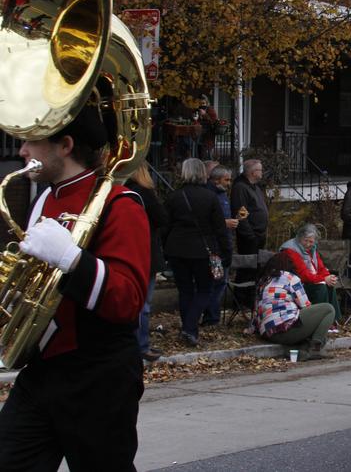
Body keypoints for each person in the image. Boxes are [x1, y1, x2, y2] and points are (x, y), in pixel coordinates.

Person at [0, 106, 149, 469]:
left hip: (100, 375)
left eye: (31, 143)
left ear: (65, 145)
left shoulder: (121, 204)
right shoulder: (43, 200)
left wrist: (71, 258)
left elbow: (127, 301)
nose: (21, 152)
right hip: (42, 369)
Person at [163, 158, 230, 347]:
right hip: (203, 250)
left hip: (177, 250)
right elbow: (220, 229)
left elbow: (165, 226)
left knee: (185, 291)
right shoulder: (210, 198)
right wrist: (226, 252)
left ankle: (189, 329)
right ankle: (189, 328)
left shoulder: (174, 196)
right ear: (203, 173)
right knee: (204, 290)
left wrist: (164, 250)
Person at [253, 253, 336, 361]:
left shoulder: (263, 282)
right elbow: (305, 305)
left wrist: (252, 329)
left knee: (307, 332)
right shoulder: (290, 278)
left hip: (269, 333)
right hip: (287, 328)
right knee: (328, 309)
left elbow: (256, 310)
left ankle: (297, 351)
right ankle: (316, 348)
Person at [128, 162, 168, 363]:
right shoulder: (144, 193)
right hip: (146, 252)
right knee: (144, 303)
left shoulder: (121, 191)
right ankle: (141, 345)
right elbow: (161, 218)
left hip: (126, 251)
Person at [279, 223, 342, 325]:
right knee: (321, 287)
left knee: (329, 286)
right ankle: (318, 321)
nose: (308, 244)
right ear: (299, 238)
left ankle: (332, 320)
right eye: (305, 241)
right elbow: (303, 275)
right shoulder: (291, 250)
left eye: (311, 242)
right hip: (294, 286)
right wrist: (324, 279)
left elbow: (320, 267)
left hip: (308, 282)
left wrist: (328, 277)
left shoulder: (312, 250)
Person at [202, 165, 240, 326]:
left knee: (221, 282)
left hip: (224, 245)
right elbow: (206, 221)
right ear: (216, 179)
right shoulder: (209, 195)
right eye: (226, 179)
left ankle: (212, 316)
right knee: (216, 282)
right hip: (214, 249)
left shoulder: (222, 194)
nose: (229, 183)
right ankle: (211, 318)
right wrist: (226, 223)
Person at [230, 159, 269, 256]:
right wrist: (250, 236)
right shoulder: (241, 188)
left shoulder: (254, 187)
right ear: (253, 173)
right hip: (249, 239)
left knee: (257, 267)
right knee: (248, 267)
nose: (262, 173)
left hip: (259, 236)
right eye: (260, 170)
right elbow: (241, 213)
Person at [194, 94, 220, 159]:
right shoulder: (197, 110)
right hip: (199, 132)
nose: (202, 105)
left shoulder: (210, 110)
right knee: (198, 147)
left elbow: (214, 121)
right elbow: (196, 120)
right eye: (200, 103)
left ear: (207, 103)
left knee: (208, 153)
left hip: (208, 134)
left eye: (203, 103)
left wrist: (205, 114)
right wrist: (195, 118)